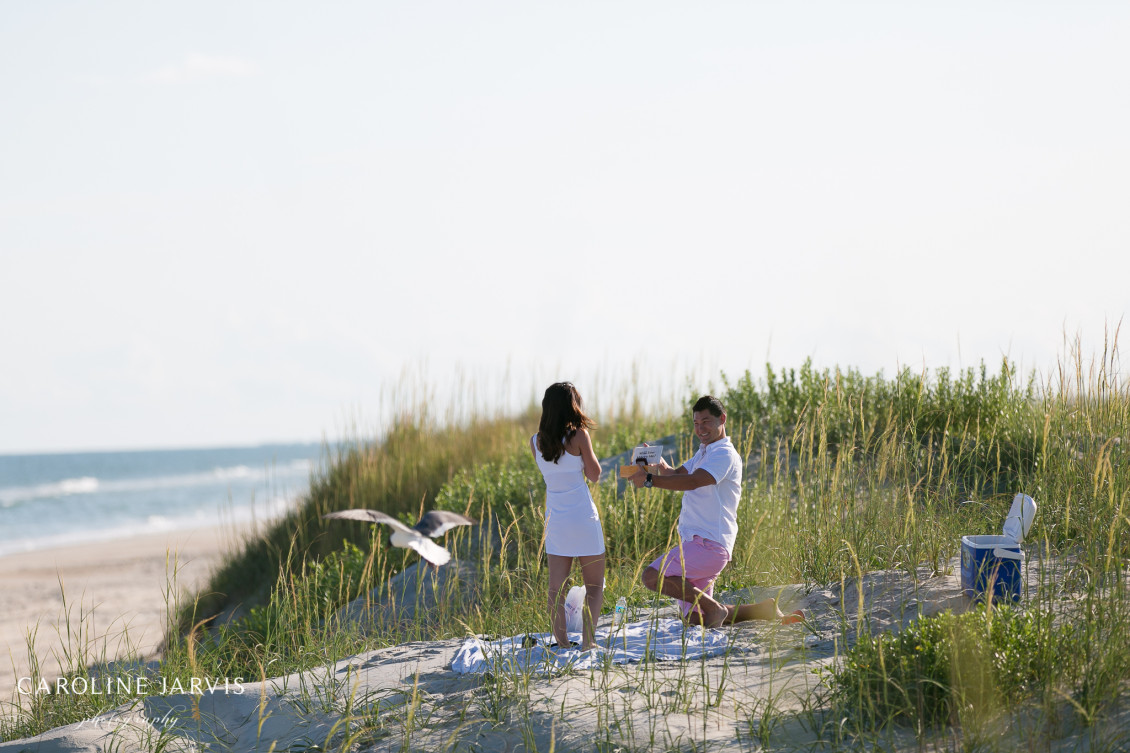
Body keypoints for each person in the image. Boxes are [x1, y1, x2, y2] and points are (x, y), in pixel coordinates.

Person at [631, 395, 803, 628]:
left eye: (706, 422)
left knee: (652, 576)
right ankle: (764, 610)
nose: (700, 429)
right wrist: (660, 467)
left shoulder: (724, 454)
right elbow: (679, 476)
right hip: (699, 544)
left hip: (708, 544)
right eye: (696, 423)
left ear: (722, 419)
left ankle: (715, 608)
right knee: (694, 618)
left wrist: (650, 481)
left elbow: (695, 482)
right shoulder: (704, 452)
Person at [531, 382, 605, 650]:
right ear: (572, 406)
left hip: (556, 521)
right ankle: (588, 642)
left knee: (556, 589)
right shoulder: (579, 436)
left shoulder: (535, 442)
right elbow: (594, 475)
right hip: (583, 517)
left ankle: (562, 643)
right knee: (595, 585)